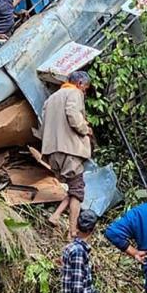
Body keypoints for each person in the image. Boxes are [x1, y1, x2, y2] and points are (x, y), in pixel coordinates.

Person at [41, 71, 94, 239]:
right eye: (85, 88)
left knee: (74, 187)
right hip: (69, 150)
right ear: (79, 84)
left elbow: (42, 123)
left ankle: (55, 215)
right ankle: (72, 232)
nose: (84, 92)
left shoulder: (51, 99)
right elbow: (72, 114)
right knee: (78, 191)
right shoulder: (74, 93)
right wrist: (85, 129)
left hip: (52, 151)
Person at [61, 210, 103, 293]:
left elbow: (86, 284)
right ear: (92, 230)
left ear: (77, 225)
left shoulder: (72, 247)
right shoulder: (78, 251)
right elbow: (77, 288)